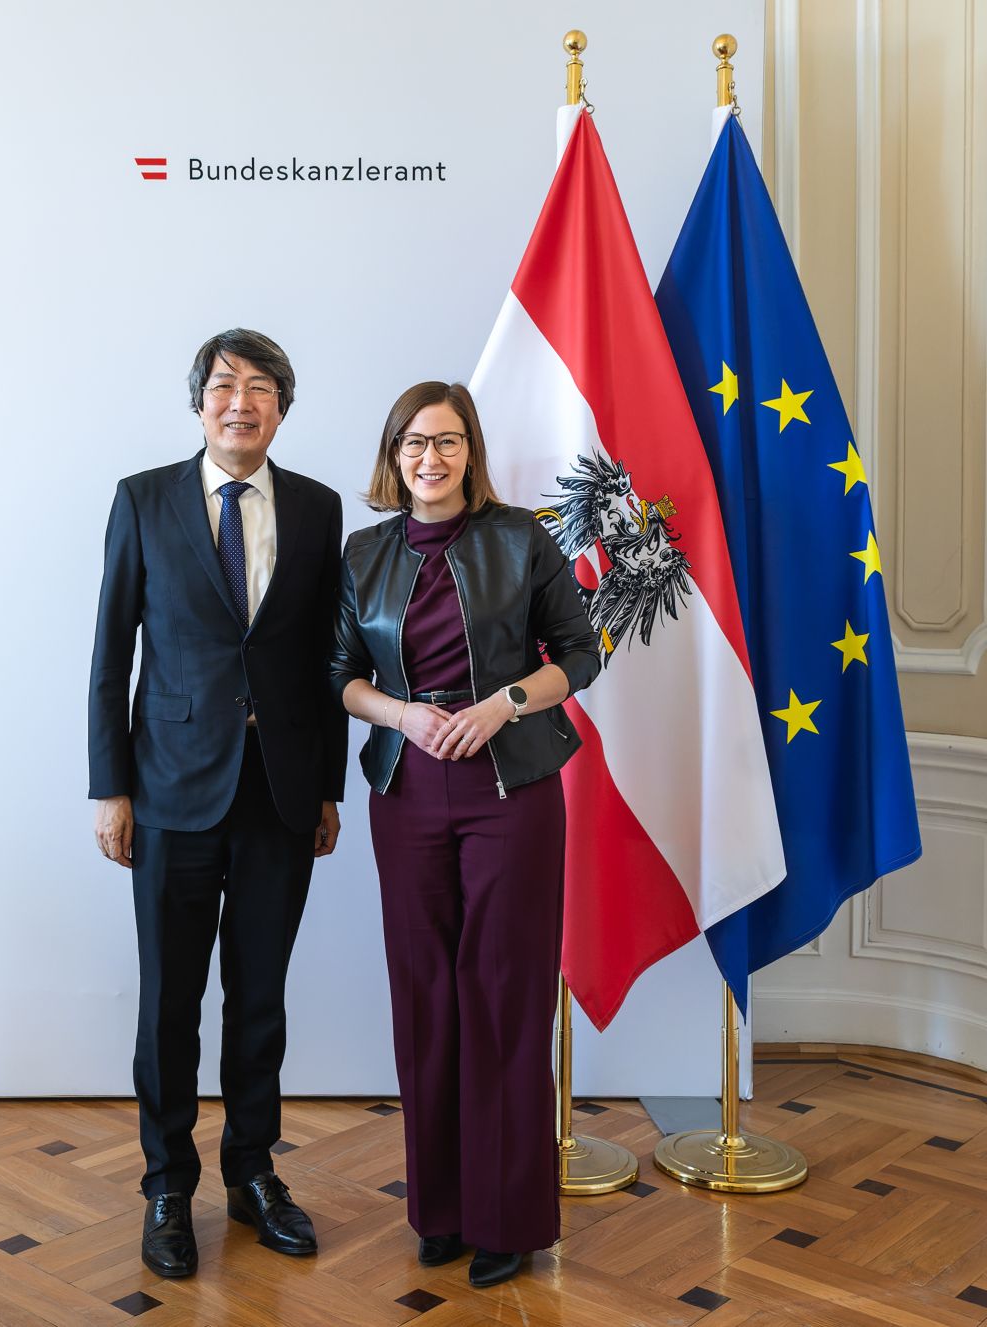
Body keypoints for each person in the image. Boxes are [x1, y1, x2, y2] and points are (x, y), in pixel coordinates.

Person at [88, 329, 348, 1279]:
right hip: (166, 791)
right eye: (226, 386)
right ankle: (167, 1184)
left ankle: (251, 1175)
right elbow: (111, 651)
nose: (243, 401)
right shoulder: (144, 499)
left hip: (279, 794)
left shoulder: (319, 510)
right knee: (169, 1001)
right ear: (199, 402)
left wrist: (327, 784)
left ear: (284, 405)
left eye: (262, 387)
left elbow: (331, 662)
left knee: (261, 997)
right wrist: (110, 786)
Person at [329, 381, 599, 1289]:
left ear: (470, 452)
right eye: (413, 443)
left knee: (503, 995)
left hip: (510, 787)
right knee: (425, 993)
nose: (429, 459)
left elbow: (581, 652)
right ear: (393, 454)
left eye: (446, 442)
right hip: (406, 790)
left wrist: (503, 704)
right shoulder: (363, 553)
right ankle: (440, 1209)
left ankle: (507, 1217)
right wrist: (405, 717)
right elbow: (340, 676)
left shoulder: (520, 538)